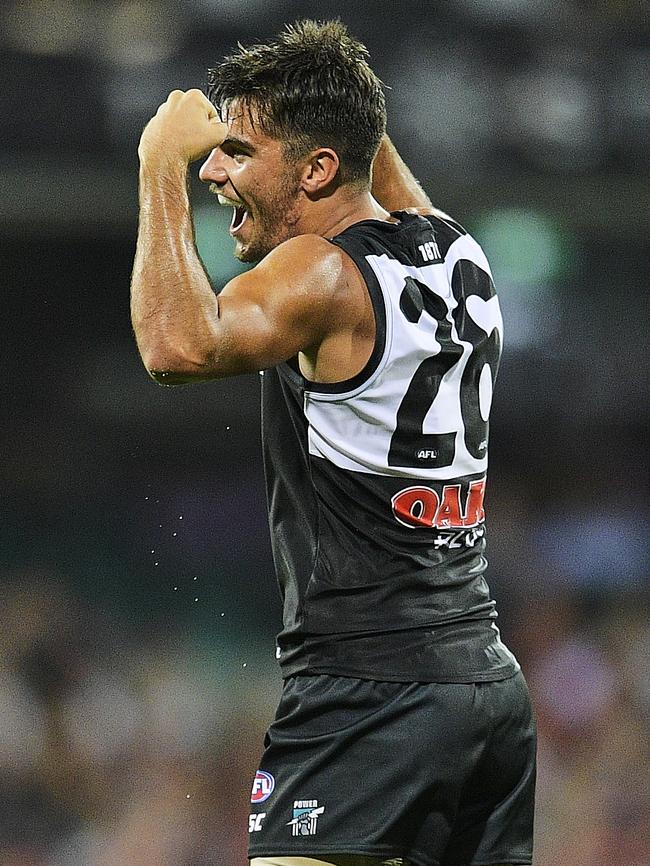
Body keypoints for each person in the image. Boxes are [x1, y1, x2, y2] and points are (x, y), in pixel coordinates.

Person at [131, 20, 536, 866]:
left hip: (371, 687)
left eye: (238, 150)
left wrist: (157, 166)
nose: (215, 169)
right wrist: (336, 82)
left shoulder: (321, 273)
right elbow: (374, 166)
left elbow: (178, 346)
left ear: (316, 169)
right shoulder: (455, 248)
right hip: (487, 686)